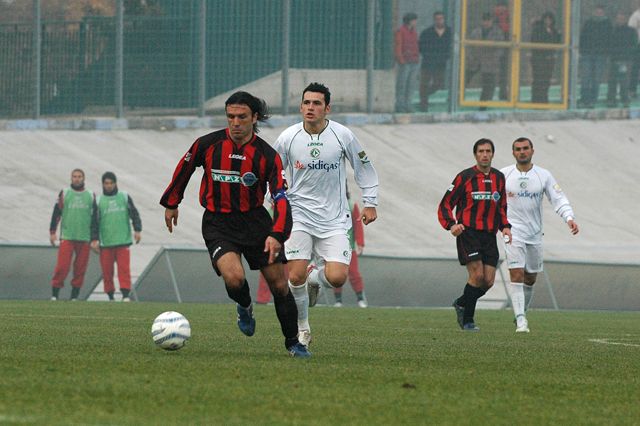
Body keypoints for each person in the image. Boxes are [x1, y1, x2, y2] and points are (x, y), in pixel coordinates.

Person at [159, 91, 310, 358]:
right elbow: (185, 167)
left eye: (242, 117)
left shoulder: (267, 156)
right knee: (234, 276)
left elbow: (281, 198)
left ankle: (293, 343)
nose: (235, 123)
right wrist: (172, 201)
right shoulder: (207, 144)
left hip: (255, 223)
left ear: (254, 117)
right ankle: (244, 304)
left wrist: (277, 233)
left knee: (278, 284)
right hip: (218, 222)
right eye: (231, 117)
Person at [274, 82, 379, 346]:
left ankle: (315, 277)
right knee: (294, 276)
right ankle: (303, 328)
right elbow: (272, 173)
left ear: (327, 108)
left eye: (317, 103)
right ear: (301, 107)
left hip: (335, 218)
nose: (311, 107)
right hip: (298, 215)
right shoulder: (288, 137)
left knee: (336, 277)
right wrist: (272, 202)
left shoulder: (342, 135)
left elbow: (363, 167)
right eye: (307, 103)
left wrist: (370, 202)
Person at [501, 137, 579, 333]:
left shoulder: (543, 175)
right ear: (513, 153)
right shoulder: (504, 174)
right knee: (516, 273)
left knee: (530, 277)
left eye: (525, 148)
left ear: (532, 151)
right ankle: (520, 320)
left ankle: (522, 311)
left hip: (535, 234)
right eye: (518, 149)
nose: (522, 152)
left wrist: (568, 217)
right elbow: (492, 201)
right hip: (512, 231)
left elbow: (558, 198)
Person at [438, 138, 511, 331]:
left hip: (489, 236)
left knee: (487, 282)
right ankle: (468, 320)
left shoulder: (499, 178)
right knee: (477, 276)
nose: (484, 154)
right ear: (475, 154)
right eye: (481, 151)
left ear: (493, 154)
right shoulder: (465, 177)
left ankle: (462, 302)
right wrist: (451, 225)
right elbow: (445, 204)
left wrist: (505, 226)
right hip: (468, 233)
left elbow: (502, 206)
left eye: (488, 151)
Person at [90, 172, 142, 302]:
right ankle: (110, 295)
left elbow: (134, 213)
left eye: (111, 183)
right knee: (107, 272)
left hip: (123, 240)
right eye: (106, 183)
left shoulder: (124, 197)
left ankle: (125, 294)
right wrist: (94, 239)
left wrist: (137, 229)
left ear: (115, 183)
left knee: (124, 270)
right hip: (106, 242)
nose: (109, 186)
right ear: (103, 184)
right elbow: (94, 222)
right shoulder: (99, 200)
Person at [49, 168, 97, 301]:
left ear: (83, 178)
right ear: (71, 178)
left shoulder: (90, 195)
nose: (77, 178)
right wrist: (53, 232)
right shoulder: (65, 193)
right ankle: (55, 295)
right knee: (62, 267)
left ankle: (74, 297)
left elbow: (95, 219)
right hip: (67, 236)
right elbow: (56, 214)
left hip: (84, 238)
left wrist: (94, 238)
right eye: (74, 176)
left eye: (79, 176)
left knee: (80, 269)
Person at [333, 186, 367, 308]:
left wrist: (360, 243)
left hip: (349, 246)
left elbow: (358, 224)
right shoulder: (330, 204)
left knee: (354, 273)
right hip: (334, 247)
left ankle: (360, 299)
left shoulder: (351, 205)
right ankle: (338, 300)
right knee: (336, 274)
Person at [578, 5, 612, 108]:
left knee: (596, 78)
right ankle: (584, 98)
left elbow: (609, 39)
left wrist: (607, 52)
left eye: (600, 12)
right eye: (597, 12)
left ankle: (593, 99)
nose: (598, 14)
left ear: (603, 13)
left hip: (600, 55)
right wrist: (582, 50)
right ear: (594, 12)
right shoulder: (589, 23)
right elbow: (583, 37)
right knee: (586, 77)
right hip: (587, 53)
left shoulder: (607, 24)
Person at [418, 11, 452, 112]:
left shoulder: (449, 32)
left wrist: (446, 56)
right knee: (424, 83)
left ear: (444, 19)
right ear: (434, 20)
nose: (439, 21)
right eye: (437, 19)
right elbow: (421, 46)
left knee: (438, 83)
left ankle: (424, 95)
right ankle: (423, 105)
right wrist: (427, 55)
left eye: (441, 18)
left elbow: (452, 46)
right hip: (427, 62)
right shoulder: (427, 32)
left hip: (441, 63)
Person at [467, 13, 504, 104]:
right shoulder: (476, 32)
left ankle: (484, 104)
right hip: (475, 60)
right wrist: (471, 57)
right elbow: (469, 46)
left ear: (492, 21)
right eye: (484, 20)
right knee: (464, 79)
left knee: (488, 84)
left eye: (488, 20)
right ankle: (456, 98)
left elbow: (501, 48)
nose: (486, 22)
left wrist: (495, 58)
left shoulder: (497, 32)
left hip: (490, 62)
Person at [607, 12, 637, 108]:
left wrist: (628, 56)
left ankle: (625, 99)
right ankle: (611, 99)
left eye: (622, 19)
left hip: (625, 60)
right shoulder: (612, 31)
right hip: (614, 59)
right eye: (618, 18)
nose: (620, 20)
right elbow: (609, 44)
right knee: (612, 81)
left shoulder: (631, 31)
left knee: (624, 81)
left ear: (625, 20)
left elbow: (634, 45)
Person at [530, 12, 561, 103]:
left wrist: (559, 35)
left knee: (547, 80)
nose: (548, 21)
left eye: (550, 19)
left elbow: (556, 43)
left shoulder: (554, 31)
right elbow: (535, 41)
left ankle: (544, 99)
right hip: (539, 59)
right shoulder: (538, 29)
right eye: (546, 19)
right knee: (538, 79)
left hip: (549, 59)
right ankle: (536, 100)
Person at [394, 12, 419, 113]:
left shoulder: (414, 32)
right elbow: (398, 46)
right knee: (402, 84)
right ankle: (400, 105)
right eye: (414, 20)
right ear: (410, 21)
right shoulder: (401, 31)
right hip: (405, 62)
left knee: (411, 85)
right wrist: (401, 60)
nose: (416, 22)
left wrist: (416, 58)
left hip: (413, 61)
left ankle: (408, 104)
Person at [628, 7, 640, 98]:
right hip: (638, 45)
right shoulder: (636, 15)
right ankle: (632, 90)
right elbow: (630, 29)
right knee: (635, 68)